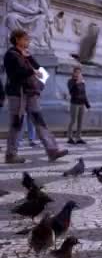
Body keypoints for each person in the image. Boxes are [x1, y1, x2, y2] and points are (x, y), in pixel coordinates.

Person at [3, 29, 68, 163]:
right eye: (25, 39)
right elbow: (15, 73)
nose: (28, 41)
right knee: (17, 124)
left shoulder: (26, 55)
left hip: (31, 93)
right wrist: (31, 71)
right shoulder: (10, 55)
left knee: (40, 121)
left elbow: (40, 70)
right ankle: (11, 154)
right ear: (17, 39)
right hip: (17, 93)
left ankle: (52, 150)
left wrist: (29, 58)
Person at [67, 67, 90, 145]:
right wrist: (76, 83)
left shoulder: (82, 83)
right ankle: (70, 137)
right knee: (73, 120)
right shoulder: (71, 81)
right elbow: (71, 92)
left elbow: (84, 94)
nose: (78, 74)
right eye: (76, 72)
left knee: (80, 122)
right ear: (73, 73)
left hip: (82, 103)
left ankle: (78, 137)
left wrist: (87, 105)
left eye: (79, 72)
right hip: (74, 103)